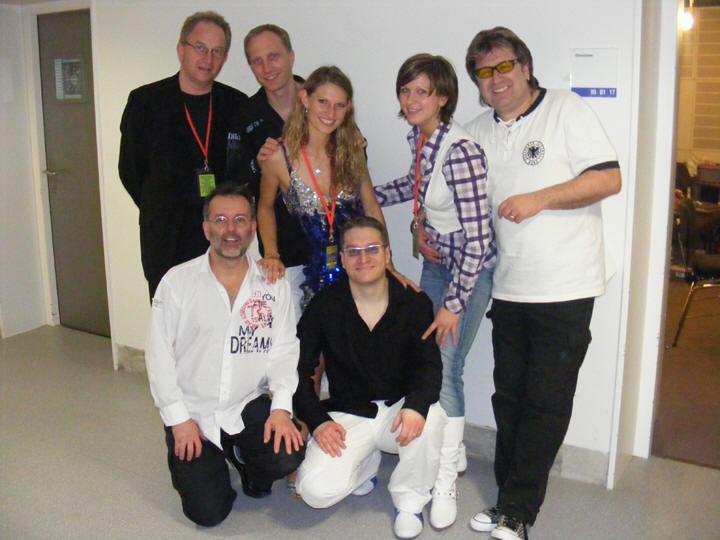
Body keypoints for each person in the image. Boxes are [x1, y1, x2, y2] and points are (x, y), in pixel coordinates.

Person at [463, 27, 621, 540]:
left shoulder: (566, 110)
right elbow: (455, 196)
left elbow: (608, 178)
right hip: (509, 287)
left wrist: (540, 198)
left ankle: (518, 511)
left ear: (525, 66)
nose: (496, 79)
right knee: (508, 398)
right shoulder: (476, 132)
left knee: (545, 401)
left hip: (566, 287)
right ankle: (507, 499)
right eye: (484, 73)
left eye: (504, 66)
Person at [374, 54, 496, 530]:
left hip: (469, 271)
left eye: (421, 92)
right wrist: (364, 194)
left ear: (442, 97)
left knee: (446, 367)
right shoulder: (421, 137)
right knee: (428, 359)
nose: (411, 100)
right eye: (405, 91)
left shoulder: (461, 152)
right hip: (437, 262)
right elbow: (418, 187)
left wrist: (453, 306)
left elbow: (478, 240)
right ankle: (452, 448)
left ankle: (444, 479)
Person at [144, 183, 305, 527]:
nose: (231, 230)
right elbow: (159, 358)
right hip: (194, 413)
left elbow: (284, 350)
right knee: (208, 513)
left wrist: (281, 409)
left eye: (240, 220)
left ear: (252, 228)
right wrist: (179, 421)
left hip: (244, 403)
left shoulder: (273, 284)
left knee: (287, 453)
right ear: (206, 229)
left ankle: (243, 459)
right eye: (220, 220)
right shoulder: (177, 283)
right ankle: (205, 461)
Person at [293, 216, 447, 539]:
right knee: (313, 491)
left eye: (372, 249)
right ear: (342, 258)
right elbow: (301, 372)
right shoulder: (324, 306)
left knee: (431, 416)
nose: (363, 258)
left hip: (398, 412)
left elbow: (429, 366)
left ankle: (409, 502)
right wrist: (318, 422)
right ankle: (365, 465)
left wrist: (416, 406)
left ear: (387, 255)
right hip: (349, 413)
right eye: (353, 251)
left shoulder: (414, 303)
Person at [119, 11, 249, 299]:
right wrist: (161, 204)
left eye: (217, 51)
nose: (208, 59)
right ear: (181, 49)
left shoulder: (236, 104)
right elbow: (130, 171)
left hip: (221, 235)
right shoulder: (145, 103)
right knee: (170, 313)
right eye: (200, 48)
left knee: (221, 310)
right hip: (166, 234)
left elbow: (243, 169)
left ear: (225, 58)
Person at [258, 65, 392, 311]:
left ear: (348, 107)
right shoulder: (278, 157)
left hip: (358, 273)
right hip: (306, 278)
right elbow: (265, 207)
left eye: (339, 105)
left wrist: (387, 261)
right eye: (323, 102)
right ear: (305, 98)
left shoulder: (352, 152)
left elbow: (371, 207)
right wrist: (271, 254)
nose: (330, 113)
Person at [225, 24, 310, 316]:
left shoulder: (322, 101)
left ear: (291, 56)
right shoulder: (244, 115)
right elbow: (234, 181)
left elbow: (354, 160)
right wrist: (258, 165)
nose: (267, 68)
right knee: (290, 336)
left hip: (334, 247)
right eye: (257, 61)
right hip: (281, 254)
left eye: (273, 57)